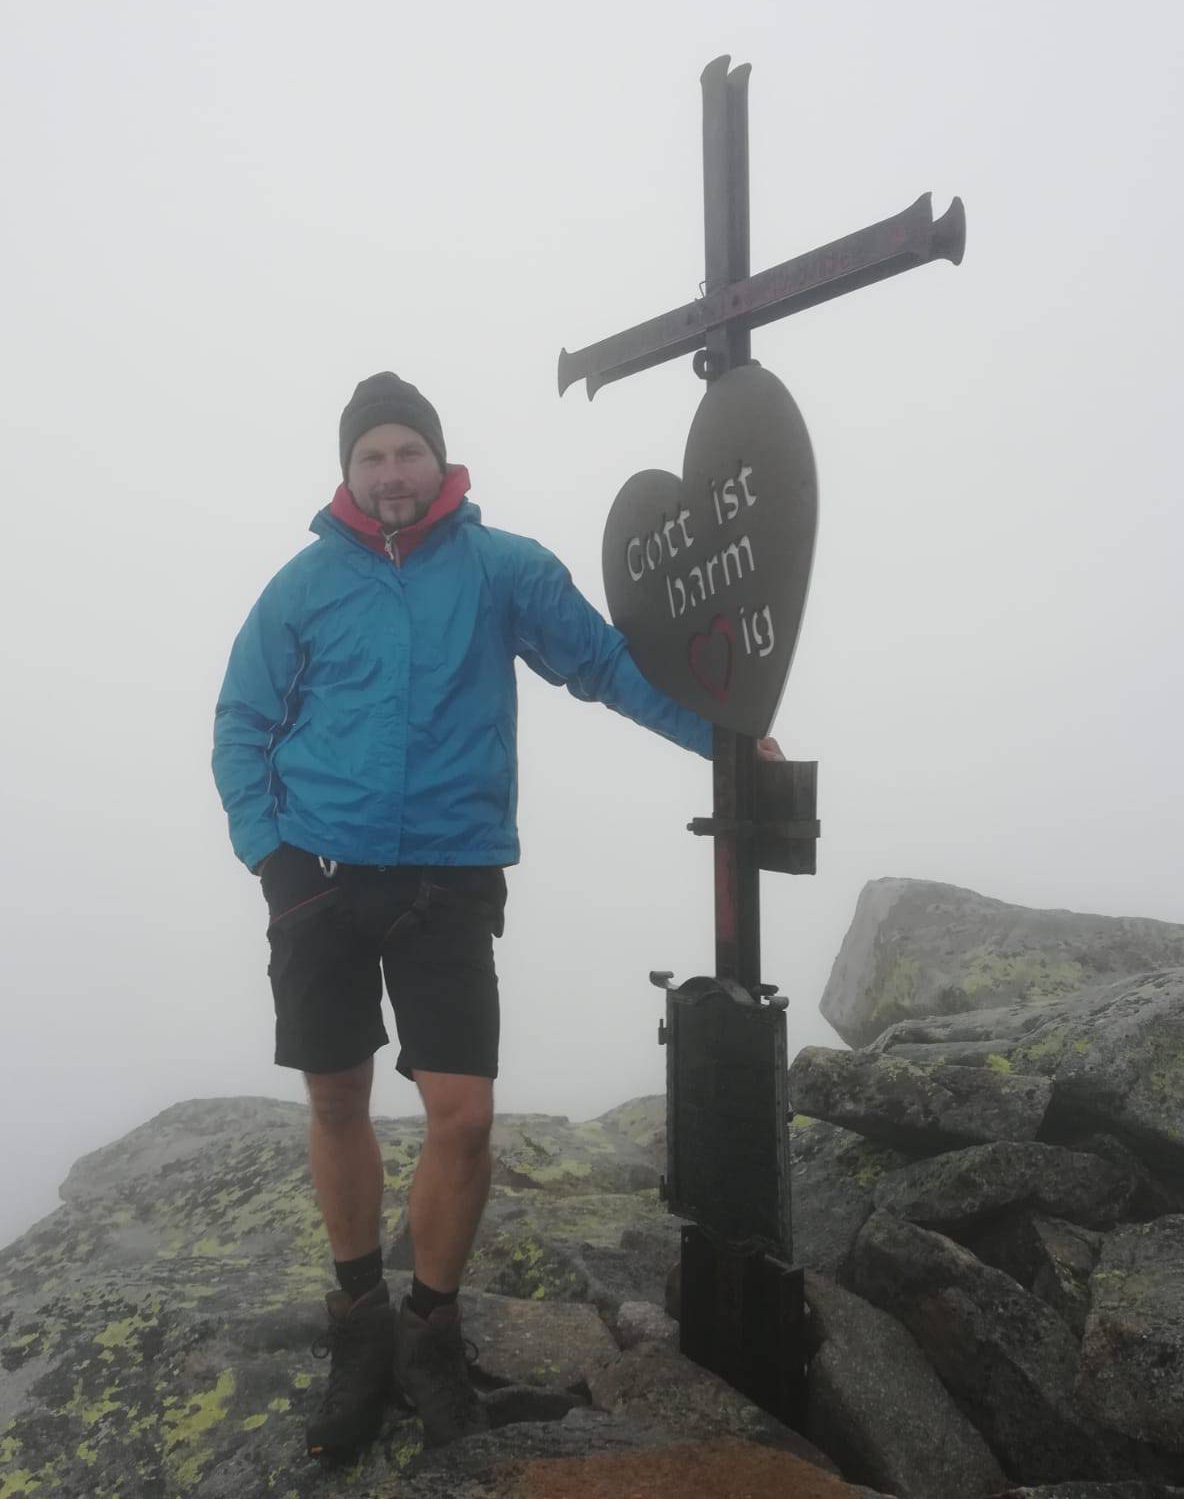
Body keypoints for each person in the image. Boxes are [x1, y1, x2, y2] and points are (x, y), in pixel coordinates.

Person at [212, 371, 783, 1457]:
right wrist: (276, 863)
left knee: (462, 1117)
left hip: (449, 881)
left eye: (406, 453)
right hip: (319, 881)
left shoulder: (499, 567)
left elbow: (607, 665)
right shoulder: (302, 587)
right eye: (371, 456)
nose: (390, 474)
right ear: (348, 471)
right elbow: (240, 725)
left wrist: (724, 735)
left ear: (439, 460)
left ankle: (430, 1332)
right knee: (336, 1099)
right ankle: (357, 1330)